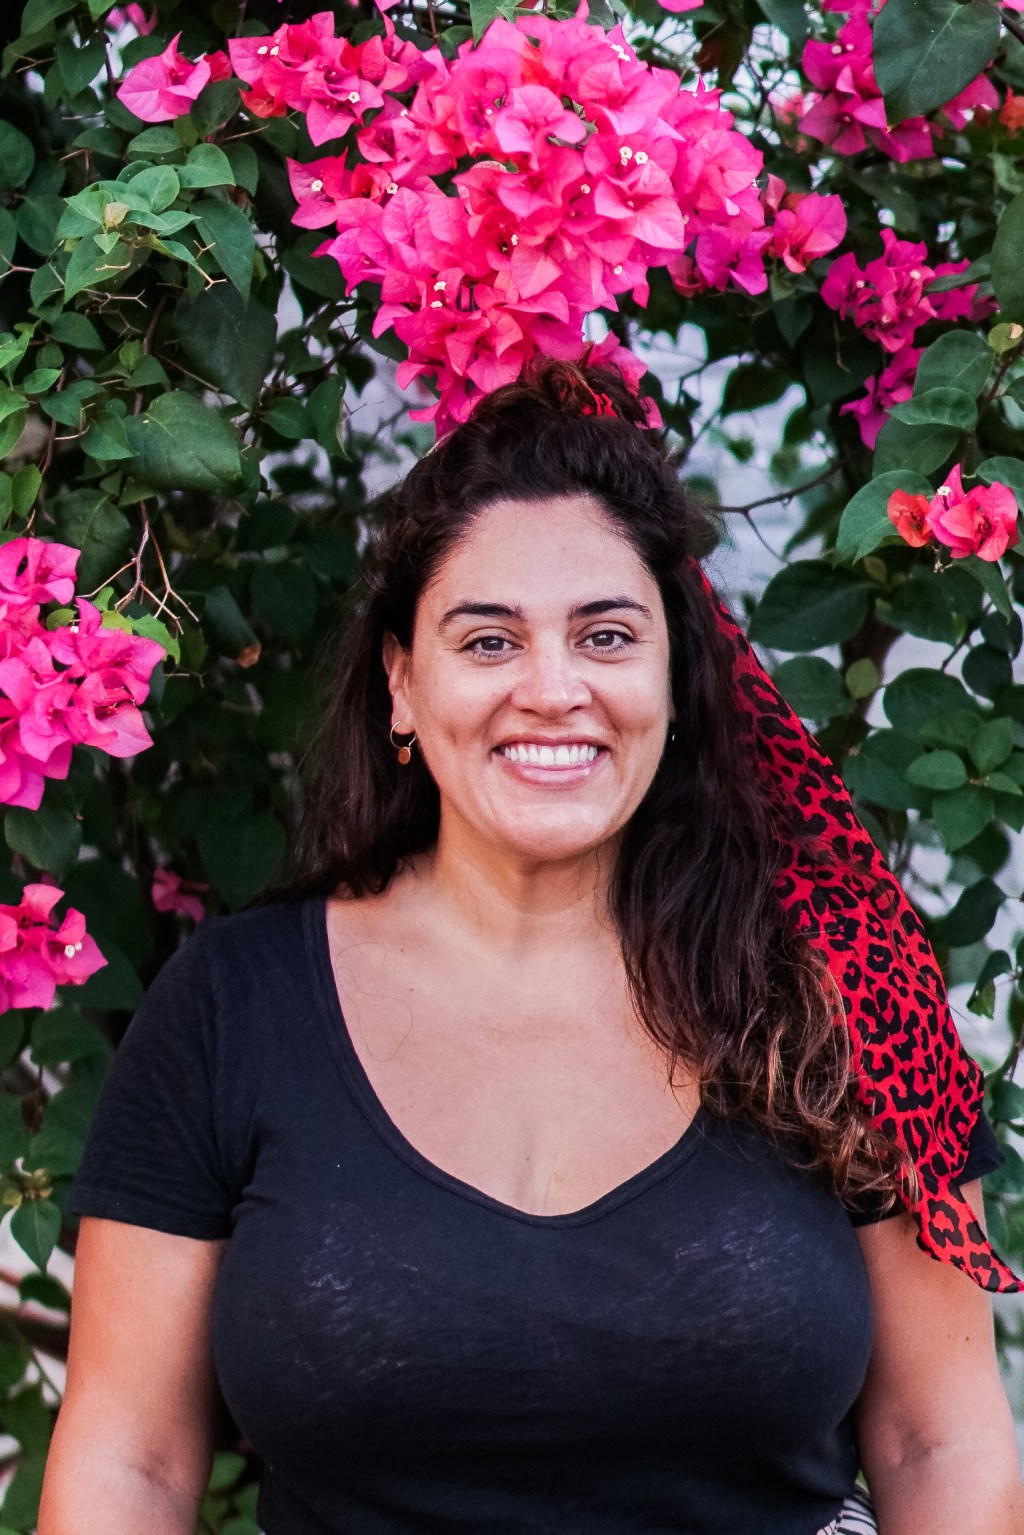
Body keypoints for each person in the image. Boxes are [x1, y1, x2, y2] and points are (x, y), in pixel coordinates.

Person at [39, 359, 1024, 1535]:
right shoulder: (231, 1006)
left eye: (605, 634)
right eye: (488, 640)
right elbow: (129, 1462)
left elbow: (940, 1438)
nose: (553, 690)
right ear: (403, 682)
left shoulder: (835, 994)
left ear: (673, 676)